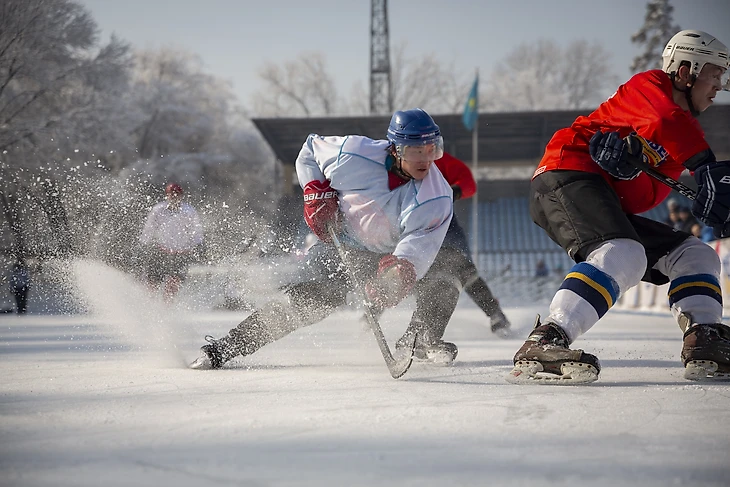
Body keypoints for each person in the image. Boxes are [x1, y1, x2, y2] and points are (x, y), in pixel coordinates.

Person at [508, 30, 730, 384]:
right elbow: (662, 120)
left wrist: (625, 171)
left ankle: (705, 339)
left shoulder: (684, 134)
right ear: (686, 70)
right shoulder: (650, 85)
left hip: (599, 193)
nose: (720, 85)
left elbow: (640, 199)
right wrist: (704, 166)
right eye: (715, 73)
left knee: (697, 255)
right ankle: (546, 339)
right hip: (564, 171)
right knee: (624, 253)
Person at [189, 108, 454, 369]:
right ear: (395, 149)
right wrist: (315, 191)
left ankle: (418, 340)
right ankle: (225, 347)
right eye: (415, 151)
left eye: (432, 150)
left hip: (390, 256)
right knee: (307, 302)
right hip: (343, 246)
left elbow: (420, 243)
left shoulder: (436, 196)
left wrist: (398, 274)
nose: (425, 160)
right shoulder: (352, 154)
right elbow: (309, 152)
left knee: (446, 281)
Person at [139, 183, 204, 301]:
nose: (174, 197)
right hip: (162, 249)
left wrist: (198, 243)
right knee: (153, 280)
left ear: (181, 196)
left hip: (182, 251)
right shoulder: (158, 210)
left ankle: (166, 307)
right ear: (167, 195)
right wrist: (144, 242)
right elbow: (149, 227)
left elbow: (196, 229)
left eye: (177, 195)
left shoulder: (188, 211)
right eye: (171, 195)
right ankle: (149, 303)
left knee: (175, 280)